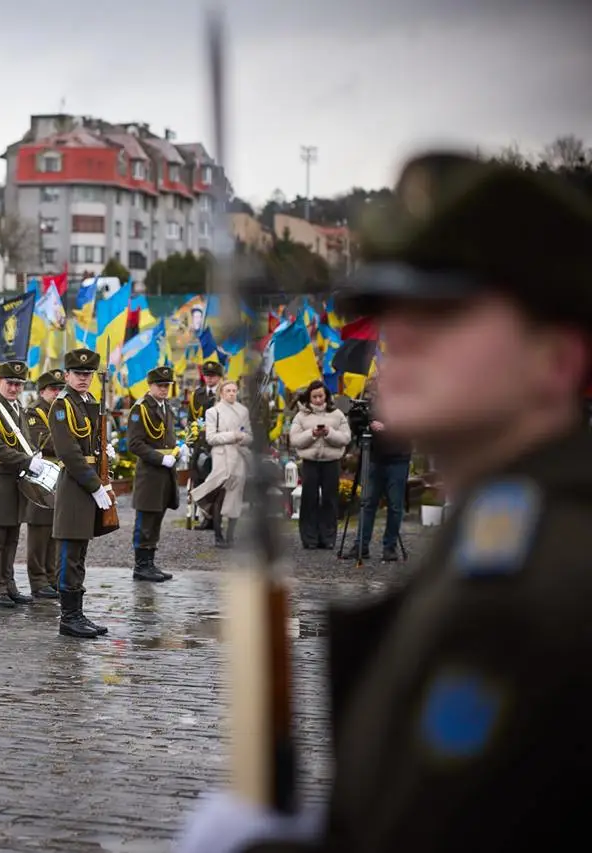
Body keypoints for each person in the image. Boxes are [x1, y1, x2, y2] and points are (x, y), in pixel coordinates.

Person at [176, 151, 592, 853]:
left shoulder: (555, 575)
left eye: (447, 310)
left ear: (559, 357)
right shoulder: (498, 534)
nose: (402, 334)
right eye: (394, 308)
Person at [49, 348, 117, 639]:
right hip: (76, 485)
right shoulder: (62, 406)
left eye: (88, 374)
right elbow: (69, 453)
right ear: (67, 375)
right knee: (69, 552)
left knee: (80, 553)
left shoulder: (88, 402)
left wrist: (105, 453)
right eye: (78, 374)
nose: (83, 378)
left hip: (89, 483)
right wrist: (94, 485)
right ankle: (68, 617)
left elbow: (91, 444)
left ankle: (77, 613)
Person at [0, 359, 48, 608]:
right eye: (10, 383)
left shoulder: (18, 408)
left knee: (12, 537)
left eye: (19, 384)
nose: (14, 388)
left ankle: (9, 584)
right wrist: (27, 461)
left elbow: (25, 441)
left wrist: (34, 455)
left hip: (17, 482)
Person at [344, 381, 413, 562]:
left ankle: (390, 547)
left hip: (398, 457)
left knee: (395, 505)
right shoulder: (371, 404)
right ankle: (361, 545)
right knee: (367, 503)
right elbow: (359, 427)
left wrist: (387, 426)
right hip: (374, 457)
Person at [125, 365, 179, 581]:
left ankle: (150, 563)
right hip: (150, 472)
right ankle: (141, 566)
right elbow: (134, 443)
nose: (164, 389)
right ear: (150, 385)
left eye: (167, 385)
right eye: (160, 385)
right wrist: (160, 458)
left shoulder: (166, 407)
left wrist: (178, 451)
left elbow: (168, 437)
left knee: (156, 520)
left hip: (166, 473)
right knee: (145, 521)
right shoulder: (140, 409)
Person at [188, 379, 252, 549]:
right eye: (228, 391)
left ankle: (230, 535)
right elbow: (211, 438)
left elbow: (249, 436)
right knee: (219, 496)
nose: (231, 394)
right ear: (221, 393)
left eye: (234, 390)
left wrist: (243, 437)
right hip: (221, 458)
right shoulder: (213, 412)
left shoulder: (243, 411)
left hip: (239, 457)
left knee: (235, 497)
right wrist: (232, 436)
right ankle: (218, 535)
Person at [289, 379, 351, 550]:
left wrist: (329, 433)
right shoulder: (301, 416)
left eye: (320, 396)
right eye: (314, 397)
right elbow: (295, 440)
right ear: (309, 397)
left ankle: (328, 537)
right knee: (309, 499)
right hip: (310, 462)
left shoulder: (337, 414)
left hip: (331, 462)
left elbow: (346, 438)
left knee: (330, 500)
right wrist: (312, 434)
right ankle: (309, 538)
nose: (318, 400)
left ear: (326, 396)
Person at [24, 369, 65, 599]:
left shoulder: (60, 410)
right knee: (39, 530)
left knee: (54, 530)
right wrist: (69, 442)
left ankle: (51, 577)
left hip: (59, 476)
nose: (57, 393)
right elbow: (42, 441)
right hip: (41, 477)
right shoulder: (35, 411)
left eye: (60, 389)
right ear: (42, 391)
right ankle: (38, 580)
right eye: (53, 389)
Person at [187, 360, 225, 530]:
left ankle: (217, 517)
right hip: (200, 443)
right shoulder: (198, 394)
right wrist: (190, 441)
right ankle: (205, 516)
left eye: (213, 376)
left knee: (217, 481)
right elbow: (191, 419)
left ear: (219, 377)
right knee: (199, 479)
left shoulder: (224, 393)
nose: (209, 379)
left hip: (218, 442)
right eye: (207, 376)